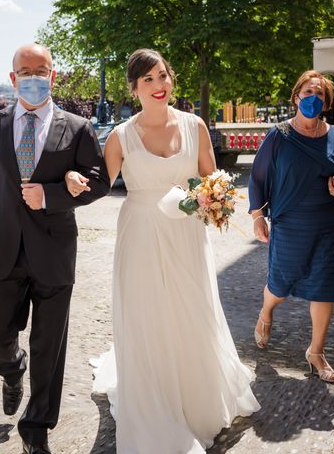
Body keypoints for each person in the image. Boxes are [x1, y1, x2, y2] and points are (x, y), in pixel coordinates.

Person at [65, 48, 260, 453]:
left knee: (191, 309)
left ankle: (196, 398)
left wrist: (208, 198)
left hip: (186, 236)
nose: (158, 86)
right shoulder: (121, 136)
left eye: (163, 76)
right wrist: (68, 180)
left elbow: (213, 179)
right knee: (147, 314)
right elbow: (99, 183)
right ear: (134, 88)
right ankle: (153, 401)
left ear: (172, 79)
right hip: (140, 235)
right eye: (148, 80)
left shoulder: (195, 127)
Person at [0, 44, 110, 454]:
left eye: (41, 70)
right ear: (12, 78)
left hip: (55, 253)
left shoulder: (77, 127)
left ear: (53, 75)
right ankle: (12, 370)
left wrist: (56, 194)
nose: (33, 77)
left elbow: (99, 182)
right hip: (2, 249)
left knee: (49, 345)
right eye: (25, 71)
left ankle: (36, 426)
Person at [248, 70, 334, 383]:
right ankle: (266, 312)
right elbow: (258, 177)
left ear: (326, 103)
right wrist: (258, 215)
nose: (313, 98)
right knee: (280, 285)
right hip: (289, 222)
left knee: (324, 288)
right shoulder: (279, 135)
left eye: (320, 95)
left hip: (326, 224)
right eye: (308, 92)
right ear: (296, 96)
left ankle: (316, 352)